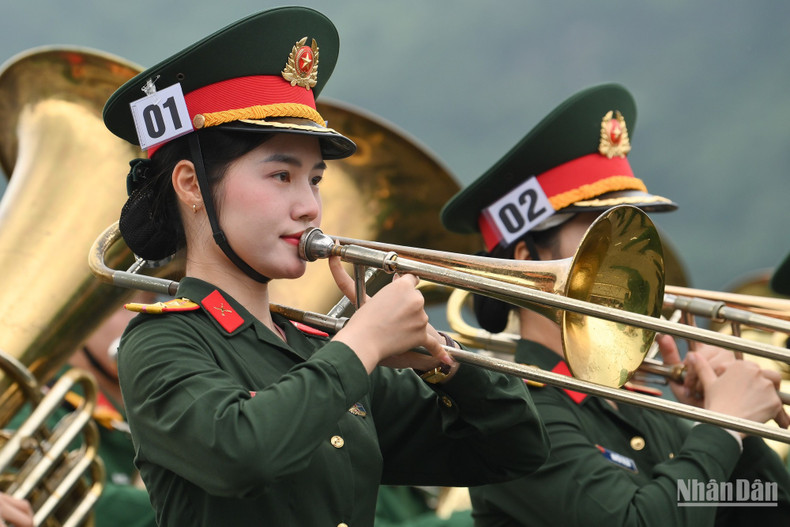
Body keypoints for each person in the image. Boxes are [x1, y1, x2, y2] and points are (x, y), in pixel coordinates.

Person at [101, 7, 549, 526]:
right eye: (280, 176)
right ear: (191, 185)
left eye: (314, 179)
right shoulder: (161, 342)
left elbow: (513, 451)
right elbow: (240, 455)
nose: (310, 205)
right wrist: (363, 343)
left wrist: (442, 362)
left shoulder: (315, 346)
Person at [439, 83, 790, 526]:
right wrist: (722, 428)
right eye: (601, 236)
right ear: (527, 261)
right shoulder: (514, 415)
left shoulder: (634, 404)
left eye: (632, 234)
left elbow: (767, 513)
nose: (631, 259)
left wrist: (734, 427)